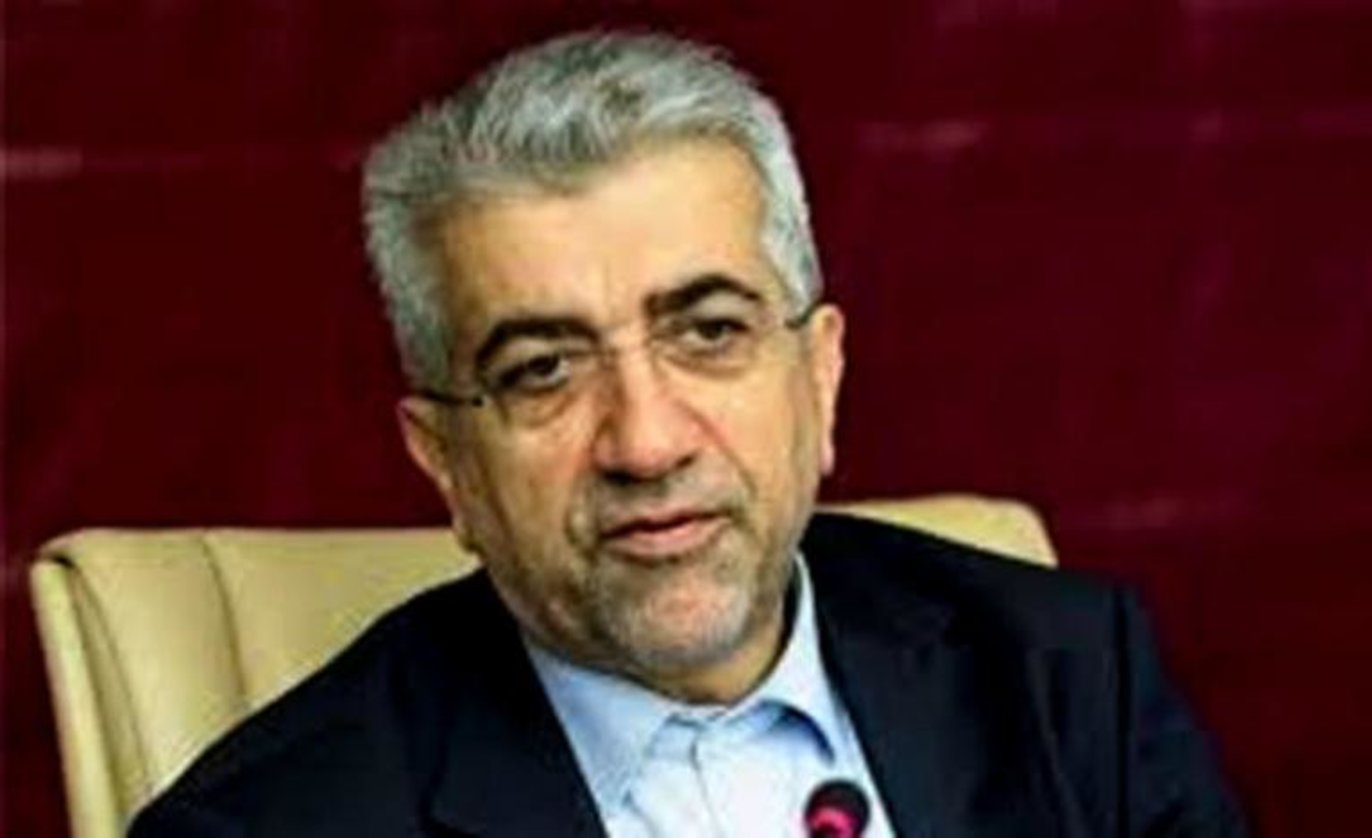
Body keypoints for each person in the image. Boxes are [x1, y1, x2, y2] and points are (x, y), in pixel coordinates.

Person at [131, 31, 1245, 837]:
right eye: (543, 370)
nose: (647, 441)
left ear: (820, 376)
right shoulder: (271, 822)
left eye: (709, 331)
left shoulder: (1069, 681)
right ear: (447, 462)